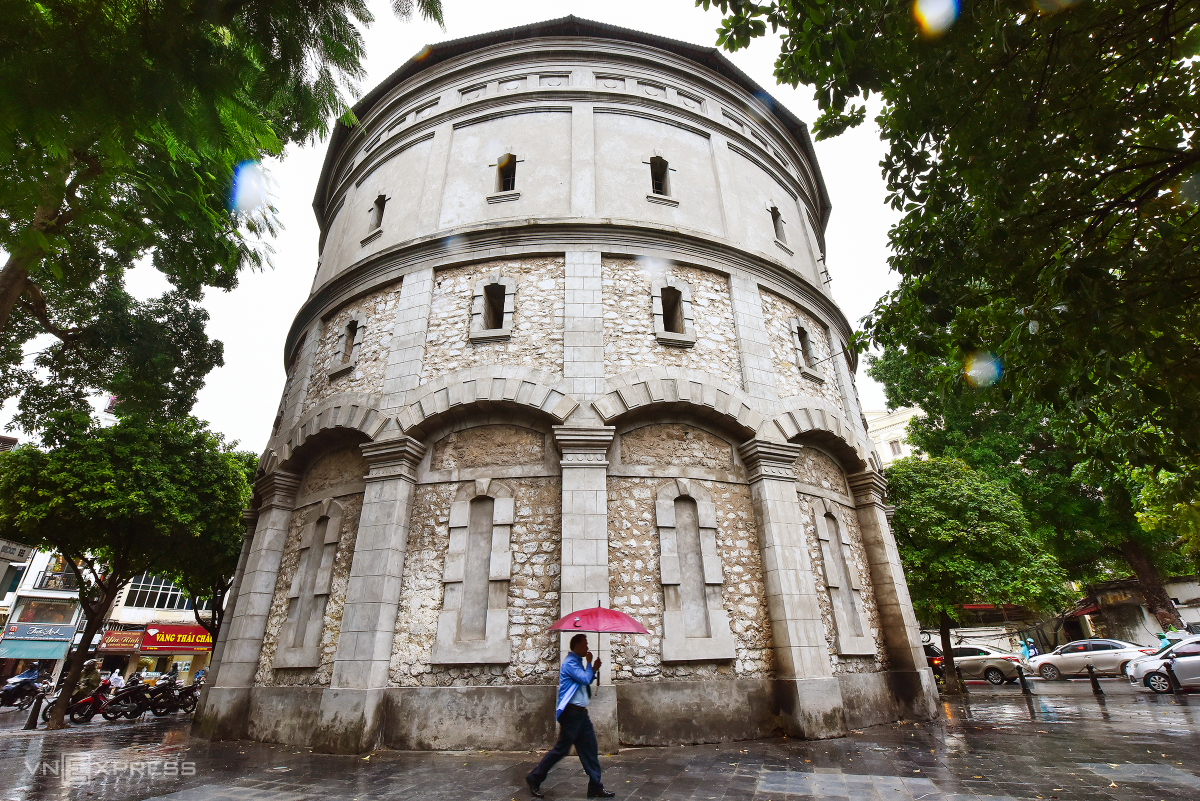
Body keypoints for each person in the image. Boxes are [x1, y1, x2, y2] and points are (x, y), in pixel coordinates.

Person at [525, 633, 615, 798]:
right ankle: (534, 777)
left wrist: (593, 667)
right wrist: (590, 666)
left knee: (590, 748)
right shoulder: (570, 663)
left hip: (581, 714)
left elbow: (584, 680)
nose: (587, 648)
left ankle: (595, 785)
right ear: (577, 646)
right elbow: (585, 679)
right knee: (561, 749)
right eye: (585, 644)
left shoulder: (577, 662)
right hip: (571, 714)